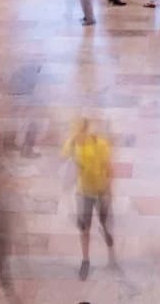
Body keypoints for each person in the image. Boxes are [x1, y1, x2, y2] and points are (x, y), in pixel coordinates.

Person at [65, 119, 116, 281]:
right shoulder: (73, 145)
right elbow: (66, 164)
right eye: (76, 134)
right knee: (84, 228)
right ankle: (85, 260)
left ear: (87, 132)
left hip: (101, 191)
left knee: (104, 220)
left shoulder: (100, 145)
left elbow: (109, 169)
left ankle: (106, 232)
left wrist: (108, 191)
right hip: (84, 193)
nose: (78, 137)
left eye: (81, 133)